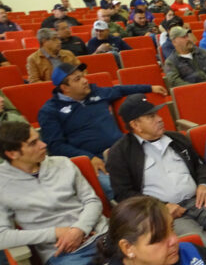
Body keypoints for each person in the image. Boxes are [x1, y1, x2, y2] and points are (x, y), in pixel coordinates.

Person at [0, 121, 106, 265]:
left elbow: (92, 200)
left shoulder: (62, 163)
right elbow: (2, 236)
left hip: (100, 233)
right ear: (13, 154)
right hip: (62, 253)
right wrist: (56, 233)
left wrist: (79, 229)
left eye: (39, 139)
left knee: (150, 260)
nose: (43, 145)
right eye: (33, 143)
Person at [107, 95, 206, 252]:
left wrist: (204, 184)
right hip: (165, 215)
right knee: (204, 248)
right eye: (151, 116)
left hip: (199, 201)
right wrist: (161, 207)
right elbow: (124, 194)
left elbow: (200, 165)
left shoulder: (177, 139)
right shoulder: (120, 153)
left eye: (157, 114)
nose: (160, 119)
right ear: (135, 125)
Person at [39, 62, 166, 199]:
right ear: (65, 88)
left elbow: (120, 90)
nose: (85, 80)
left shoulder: (97, 93)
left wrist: (150, 87)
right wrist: (88, 158)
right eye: (77, 79)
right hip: (95, 160)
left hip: (124, 150)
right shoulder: (50, 111)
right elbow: (56, 146)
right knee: (119, 189)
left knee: (158, 173)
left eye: (83, 76)